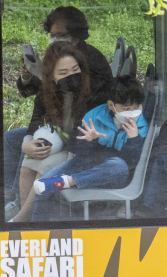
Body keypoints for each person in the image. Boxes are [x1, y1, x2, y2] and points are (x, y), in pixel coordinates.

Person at [4, 6, 114, 203]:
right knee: (13, 139)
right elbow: (34, 95)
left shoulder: (89, 59)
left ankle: (17, 200)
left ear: (76, 34)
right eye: (52, 35)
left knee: (38, 146)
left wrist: (47, 75)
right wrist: (28, 76)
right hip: (59, 126)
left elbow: (78, 92)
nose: (55, 39)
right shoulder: (57, 54)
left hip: (77, 134)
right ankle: (12, 194)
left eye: (61, 34)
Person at [30, 76, 148, 222]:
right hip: (88, 165)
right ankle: (37, 227)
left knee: (118, 165)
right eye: (126, 109)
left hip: (113, 175)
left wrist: (133, 140)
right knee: (44, 183)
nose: (132, 113)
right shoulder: (94, 117)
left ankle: (70, 181)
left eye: (137, 108)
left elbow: (131, 163)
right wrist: (91, 141)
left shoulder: (141, 125)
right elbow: (82, 155)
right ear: (111, 105)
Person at [7, 43, 101, 223]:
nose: (71, 76)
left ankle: (21, 219)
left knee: (43, 168)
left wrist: (66, 163)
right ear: (51, 76)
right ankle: (24, 212)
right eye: (63, 73)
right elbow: (35, 121)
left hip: (80, 149)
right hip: (62, 143)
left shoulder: (91, 93)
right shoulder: (46, 92)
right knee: (29, 162)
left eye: (75, 70)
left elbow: (82, 137)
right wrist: (26, 144)